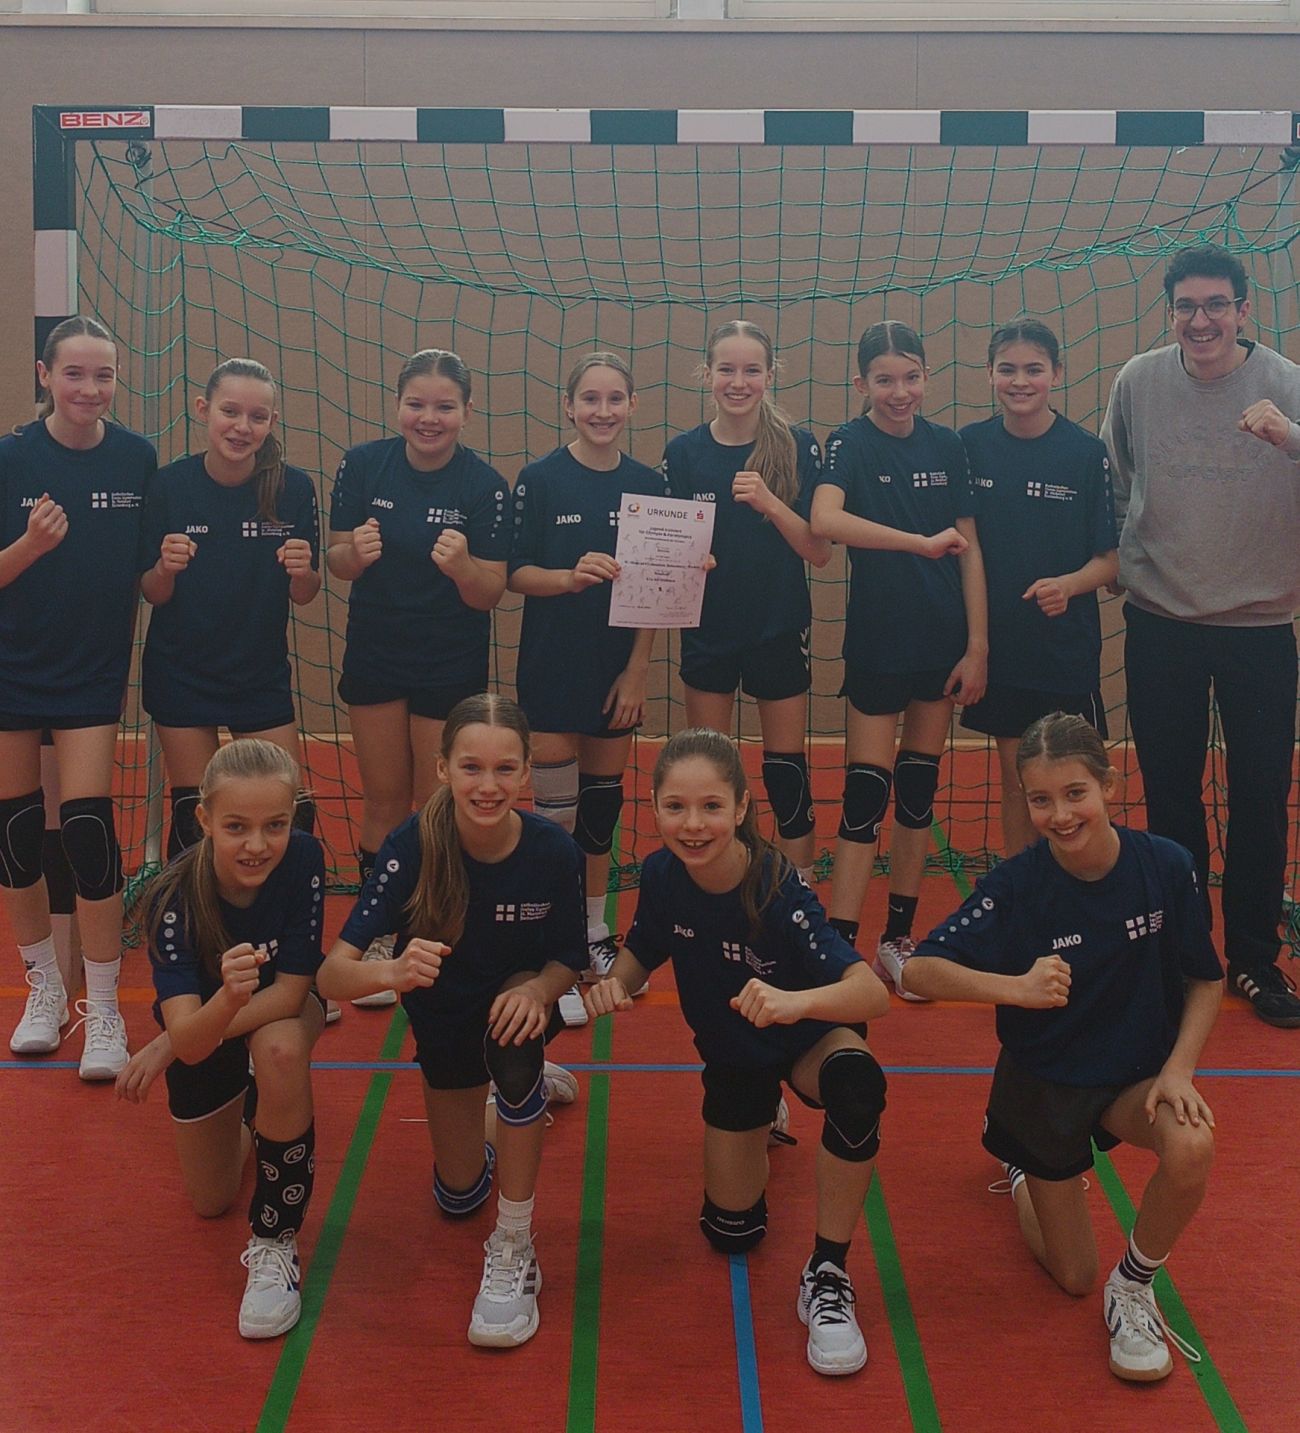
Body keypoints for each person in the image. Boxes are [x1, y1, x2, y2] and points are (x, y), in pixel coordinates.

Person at [905, 712, 1222, 1384]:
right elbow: (919, 969)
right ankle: (1024, 1171)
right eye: (1041, 799)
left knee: (1192, 1143)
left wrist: (1179, 1068)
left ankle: (1133, 1287)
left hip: (1133, 1080)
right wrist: (1015, 987)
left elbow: (1205, 978)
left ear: (1109, 784)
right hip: (1045, 1085)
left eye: (1075, 792)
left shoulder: (1167, 866)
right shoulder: (1018, 886)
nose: (1061, 814)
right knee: (1073, 1274)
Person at [586, 728, 890, 1376]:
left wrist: (792, 1002)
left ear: (743, 806)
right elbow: (644, 948)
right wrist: (616, 982)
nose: (693, 825)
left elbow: (870, 993)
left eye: (711, 807)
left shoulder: (776, 886)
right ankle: (762, 1111)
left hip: (806, 1036)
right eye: (675, 807)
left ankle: (828, 1271)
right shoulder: (662, 874)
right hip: (735, 1054)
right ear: (654, 807)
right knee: (733, 1233)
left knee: (858, 1085)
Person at [317, 693, 585, 1348]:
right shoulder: (411, 847)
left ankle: (515, 1241)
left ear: (526, 773)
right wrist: (391, 971)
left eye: (504, 769)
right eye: (471, 767)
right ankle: (518, 1098)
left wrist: (540, 990)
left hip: (515, 1006)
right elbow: (331, 976)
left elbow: (567, 962)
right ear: (441, 768)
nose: (488, 785)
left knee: (513, 1050)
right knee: (459, 1195)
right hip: (443, 1024)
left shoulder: (552, 851)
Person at [1102, 243, 1300, 1028]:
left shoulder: (1285, 383)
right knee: (1171, 794)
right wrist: (1127, 557)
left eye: (1217, 304)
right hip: (1162, 623)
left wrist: (1291, 436)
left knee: (1260, 794)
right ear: (1172, 312)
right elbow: (1118, 478)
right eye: (1187, 305)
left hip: (1260, 626)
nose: (1202, 319)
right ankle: (1186, 954)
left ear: (1244, 310)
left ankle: (1254, 956)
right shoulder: (1139, 380)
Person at [115, 739, 326, 1340]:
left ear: (293, 818)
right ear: (204, 819)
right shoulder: (173, 898)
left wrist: (167, 1044)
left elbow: (290, 994)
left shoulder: (304, 858)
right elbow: (193, 1038)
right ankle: (259, 1106)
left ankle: (275, 1237)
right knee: (211, 1200)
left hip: (275, 1010)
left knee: (279, 1048)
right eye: (236, 827)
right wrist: (219, 1006)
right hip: (210, 1025)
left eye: (275, 825)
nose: (257, 845)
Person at [810, 320, 987, 999]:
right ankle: (841, 946)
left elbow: (970, 550)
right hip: (879, 644)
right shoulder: (849, 442)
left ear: (926, 377)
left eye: (911, 376)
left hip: (941, 645)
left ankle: (898, 940)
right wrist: (917, 542)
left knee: (918, 793)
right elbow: (825, 519)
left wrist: (977, 645)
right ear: (862, 383)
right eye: (884, 379)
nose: (899, 390)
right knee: (865, 795)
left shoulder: (947, 444)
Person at [327, 350, 509, 1006]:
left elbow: (490, 592)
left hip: (448, 661)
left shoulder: (484, 485)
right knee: (383, 799)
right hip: (377, 652)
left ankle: (432, 929)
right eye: (416, 404)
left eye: (444, 406)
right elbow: (336, 558)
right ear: (398, 404)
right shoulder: (362, 465)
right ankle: (380, 934)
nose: (428, 418)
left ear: (466, 411)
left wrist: (463, 567)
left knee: (438, 805)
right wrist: (353, 553)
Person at [0, 315, 156, 1078]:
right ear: (44, 375)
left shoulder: (136, 458)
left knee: (90, 831)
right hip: (12, 666)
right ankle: (45, 989)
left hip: (92, 669)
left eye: (104, 375)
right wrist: (31, 545)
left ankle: (105, 1007)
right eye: (74, 373)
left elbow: (148, 569)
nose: (90, 388)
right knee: (16, 832)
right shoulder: (10, 457)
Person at [508, 353, 664, 988]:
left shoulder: (649, 484)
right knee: (556, 818)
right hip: (551, 666)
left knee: (599, 813)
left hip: (615, 671)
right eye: (590, 399)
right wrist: (568, 578)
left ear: (632, 405)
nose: (603, 411)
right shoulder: (539, 478)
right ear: (568, 406)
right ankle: (555, 938)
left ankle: (594, 931)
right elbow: (516, 572)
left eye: (615, 399)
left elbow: (656, 587)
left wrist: (637, 670)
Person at [662, 320, 831, 883]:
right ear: (707, 374)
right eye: (727, 369)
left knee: (786, 769)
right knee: (708, 770)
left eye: (751, 370)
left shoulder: (797, 445)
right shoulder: (684, 452)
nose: (739, 382)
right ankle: (713, 882)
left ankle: (800, 885)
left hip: (777, 626)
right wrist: (689, 561)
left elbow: (819, 552)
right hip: (707, 628)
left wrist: (770, 502)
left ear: (770, 375)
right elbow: (667, 553)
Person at [140, 358, 321, 859]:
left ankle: (270, 909)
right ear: (204, 409)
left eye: (257, 417)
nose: (242, 427)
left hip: (258, 675)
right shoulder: (169, 486)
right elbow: (152, 591)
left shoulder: (293, 488)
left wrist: (303, 571)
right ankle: (187, 909)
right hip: (181, 672)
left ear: (272, 422)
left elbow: (305, 592)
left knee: (290, 810)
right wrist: (165, 569)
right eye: (230, 411)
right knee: (196, 815)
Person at [960, 319, 1117, 856]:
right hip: (1001, 651)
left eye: (1034, 369)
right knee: (1018, 783)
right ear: (989, 374)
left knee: (1076, 782)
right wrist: (976, 646)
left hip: (1064, 651)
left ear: (1057, 373)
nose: (1020, 381)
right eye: (1007, 369)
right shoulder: (969, 446)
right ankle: (1023, 889)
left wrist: (1069, 585)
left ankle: (1087, 882)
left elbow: (1110, 562)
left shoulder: (1085, 451)